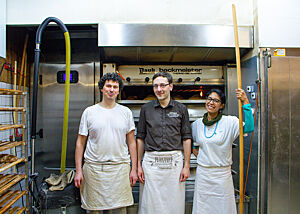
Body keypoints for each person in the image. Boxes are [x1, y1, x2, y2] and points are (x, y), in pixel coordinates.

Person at [74, 72, 138, 214]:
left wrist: (133, 169)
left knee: (120, 210)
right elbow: (80, 143)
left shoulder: (125, 112)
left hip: (120, 169)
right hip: (94, 169)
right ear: (101, 89)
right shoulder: (89, 112)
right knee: (94, 210)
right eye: (108, 86)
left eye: (115, 87)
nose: (111, 89)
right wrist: (78, 171)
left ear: (118, 91)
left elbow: (132, 143)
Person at [191, 88, 254, 214]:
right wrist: (194, 151)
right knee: (203, 209)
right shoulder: (197, 124)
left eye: (216, 100)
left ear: (222, 105)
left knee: (223, 209)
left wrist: (245, 101)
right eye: (209, 99)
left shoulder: (230, 122)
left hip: (222, 176)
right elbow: (187, 140)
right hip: (203, 175)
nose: (211, 103)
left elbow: (249, 127)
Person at [136, 71, 192, 214]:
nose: (159, 89)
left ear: (171, 87)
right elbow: (140, 138)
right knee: (150, 204)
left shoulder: (181, 109)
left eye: (163, 85)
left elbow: (186, 137)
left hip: (175, 163)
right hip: (151, 163)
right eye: (155, 86)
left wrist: (187, 165)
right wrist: (138, 165)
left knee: (174, 203)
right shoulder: (146, 109)